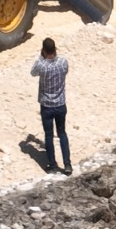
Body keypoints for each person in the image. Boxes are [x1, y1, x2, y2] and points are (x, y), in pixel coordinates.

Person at [31, 37, 72, 175]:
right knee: (62, 133)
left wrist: (40, 57)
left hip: (47, 105)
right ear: (55, 49)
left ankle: (52, 164)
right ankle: (67, 164)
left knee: (49, 135)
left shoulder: (42, 65)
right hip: (60, 104)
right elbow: (65, 71)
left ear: (43, 50)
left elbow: (33, 73)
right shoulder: (63, 62)